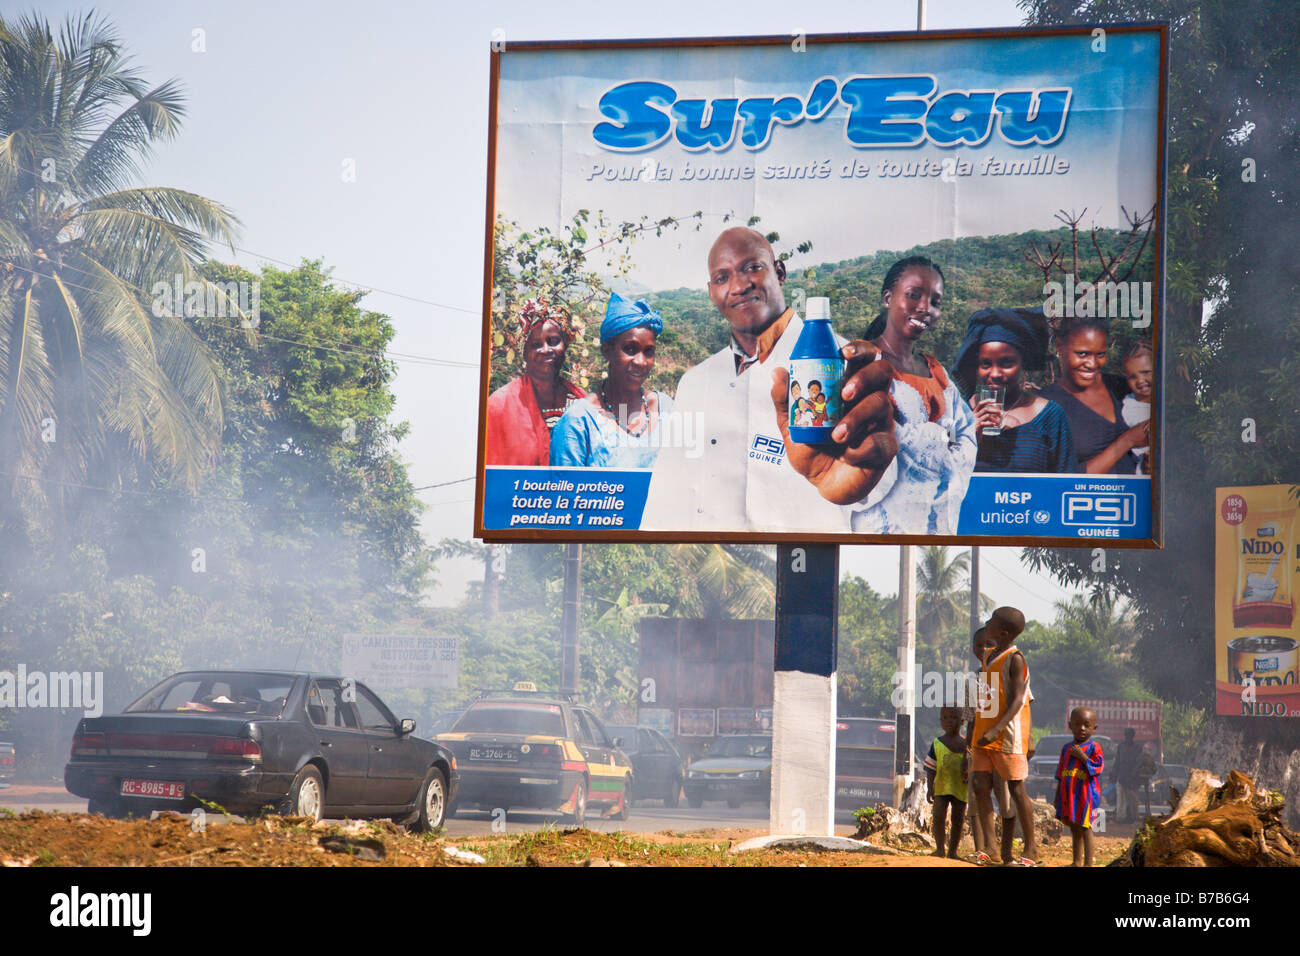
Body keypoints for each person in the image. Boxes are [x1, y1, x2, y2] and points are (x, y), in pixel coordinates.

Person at [641, 227, 898, 531]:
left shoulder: (843, 368)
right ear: (711, 292)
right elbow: (665, 494)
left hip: (802, 564)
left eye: (752, 268)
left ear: (779, 272)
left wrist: (864, 469)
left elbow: (881, 481)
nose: (738, 286)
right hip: (706, 570)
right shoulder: (696, 381)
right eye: (722, 278)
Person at [850, 256, 977, 535]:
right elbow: (877, 442)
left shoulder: (936, 372)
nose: (925, 308)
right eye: (913, 295)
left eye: (935, 302)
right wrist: (941, 438)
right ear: (887, 298)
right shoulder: (861, 364)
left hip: (935, 523)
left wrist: (928, 442)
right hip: (879, 526)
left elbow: (967, 436)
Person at [550, 293, 674, 468]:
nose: (640, 361)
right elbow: (565, 492)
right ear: (607, 350)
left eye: (648, 351)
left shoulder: (666, 409)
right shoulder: (579, 422)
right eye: (630, 349)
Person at [954, 308, 1081, 473]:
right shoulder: (958, 413)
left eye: (1006, 363)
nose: (994, 374)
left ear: (1023, 363)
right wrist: (968, 436)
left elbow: (1066, 483)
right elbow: (937, 479)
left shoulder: (1050, 417)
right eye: (985, 364)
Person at [969, 606, 1038, 865]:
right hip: (983, 735)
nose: (987, 624)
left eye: (991, 622)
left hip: (1008, 734)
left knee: (1016, 788)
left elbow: (1020, 698)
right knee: (980, 786)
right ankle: (991, 848)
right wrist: (977, 730)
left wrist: (998, 728)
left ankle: (1031, 849)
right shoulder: (988, 658)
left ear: (1004, 632)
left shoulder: (1015, 658)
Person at [1039, 317, 1146, 474]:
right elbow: (1057, 482)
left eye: (1100, 354)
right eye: (1082, 354)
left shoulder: (1124, 387)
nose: (1092, 364)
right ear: (1059, 346)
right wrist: (1127, 441)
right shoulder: (1044, 406)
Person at [484, 298, 584, 466]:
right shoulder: (499, 406)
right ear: (524, 353)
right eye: (536, 344)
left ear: (565, 344)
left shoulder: (581, 404)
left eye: (553, 342)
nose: (546, 350)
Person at [964, 627, 1018, 864]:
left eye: (989, 644)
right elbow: (971, 717)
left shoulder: (1009, 669)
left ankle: (1006, 852)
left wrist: (1029, 740)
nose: (984, 650)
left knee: (1005, 800)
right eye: (979, 645)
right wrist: (968, 745)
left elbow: (1022, 705)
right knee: (977, 798)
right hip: (979, 747)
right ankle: (984, 849)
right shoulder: (973, 679)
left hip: (1005, 744)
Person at [1055, 706, 1104, 867]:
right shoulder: (1066, 748)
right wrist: (1057, 798)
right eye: (1077, 724)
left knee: (1085, 827)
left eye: (1086, 725)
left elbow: (1097, 767)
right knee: (1074, 827)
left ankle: (1088, 863)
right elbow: (1060, 774)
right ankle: (1076, 861)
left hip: (1086, 795)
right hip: (1069, 794)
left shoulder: (1093, 747)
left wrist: (1083, 757)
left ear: (1094, 728)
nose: (1081, 728)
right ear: (1070, 725)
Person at [924, 705, 968, 858]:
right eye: (945, 718)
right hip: (941, 788)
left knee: (957, 820)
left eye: (954, 717)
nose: (949, 721)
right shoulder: (937, 743)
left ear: (962, 721)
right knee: (938, 817)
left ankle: (953, 852)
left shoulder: (966, 745)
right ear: (940, 721)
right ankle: (940, 849)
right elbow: (930, 769)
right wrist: (930, 789)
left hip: (961, 789)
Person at [1121, 341, 1154, 473]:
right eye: (1132, 377)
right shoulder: (1129, 408)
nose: (1140, 380)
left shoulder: (1168, 400)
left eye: (1145, 372)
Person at [1115, 727, 1141, 823]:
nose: (1127, 737)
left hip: (1132, 777)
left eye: (1129, 735)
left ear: (1132, 736)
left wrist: (1133, 775)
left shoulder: (1137, 748)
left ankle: (1134, 816)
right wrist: (1115, 774)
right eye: (1126, 735)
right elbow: (1117, 761)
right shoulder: (1121, 747)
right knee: (1121, 798)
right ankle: (1120, 817)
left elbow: (1138, 762)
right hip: (1122, 776)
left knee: (1133, 799)